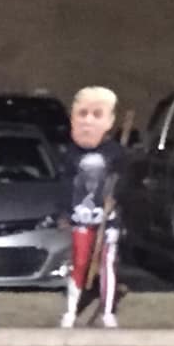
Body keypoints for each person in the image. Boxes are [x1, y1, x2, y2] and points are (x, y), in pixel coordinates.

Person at [60, 86, 126, 329]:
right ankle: (70, 310)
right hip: (81, 218)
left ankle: (107, 312)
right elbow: (65, 183)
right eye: (82, 114)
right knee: (79, 262)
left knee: (107, 263)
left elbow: (125, 180)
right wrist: (65, 211)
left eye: (97, 115)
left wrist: (115, 198)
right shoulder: (71, 153)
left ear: (109, 121)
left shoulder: (116, 153)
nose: (88, 121)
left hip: (109, 219)